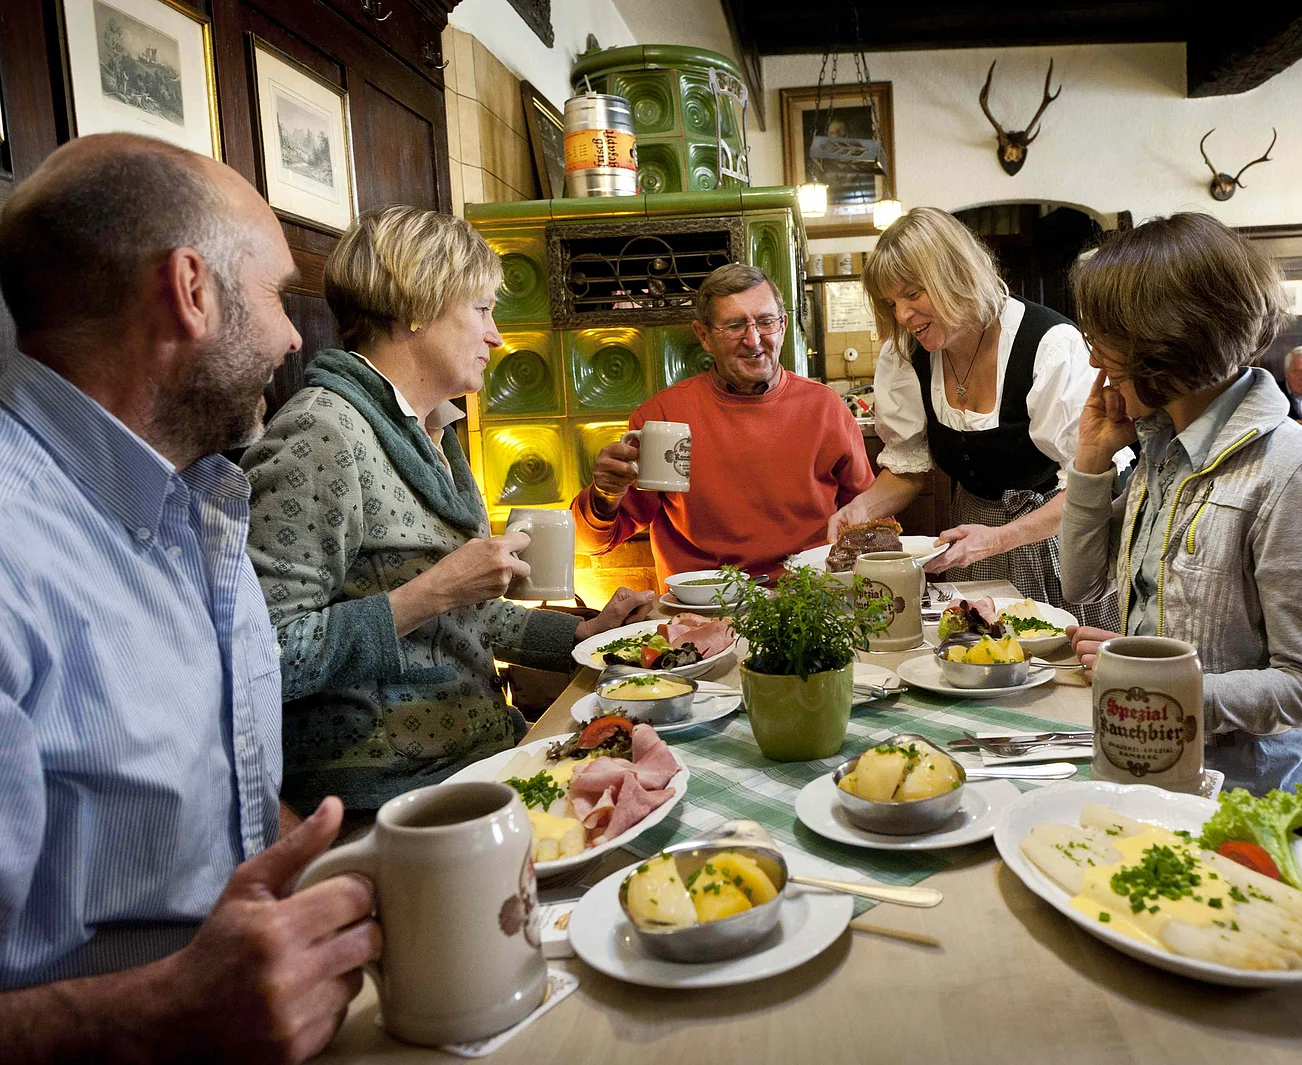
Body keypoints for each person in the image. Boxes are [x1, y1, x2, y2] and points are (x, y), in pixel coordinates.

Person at [0, 134, 377, 1061]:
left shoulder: (195, 499)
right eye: (278, 295)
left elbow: (224, 814)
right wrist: (163, 1009)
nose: (295, 337)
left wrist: (407, 865)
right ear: (192, 289)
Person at [243, 205, 655, 818]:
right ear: (418, 305)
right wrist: (433, 591)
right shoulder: (320, 437)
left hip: (475, 754)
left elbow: (465, 618)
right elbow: (264, 655)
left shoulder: (434, 429)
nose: (496, 335)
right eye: (483, 309)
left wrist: (581, 635)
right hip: (392, 800)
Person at [1058, 212, 1302, 796]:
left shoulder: (1293, 471)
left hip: (1230, 793)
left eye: (1106, 340)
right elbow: (1080, 585)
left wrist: (1154, 685)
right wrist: (1091, 460)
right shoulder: (1160, 450)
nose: (1095, 362)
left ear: (1168, 343)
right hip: (1136, 763)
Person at [830, 207, 1098, 606]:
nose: (902, 316)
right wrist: (862, 507)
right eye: (890, 303)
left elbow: (1089, 486)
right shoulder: (906, 354)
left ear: (955, 275)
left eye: (912, 293)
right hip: (971, 545)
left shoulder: (1050, 346)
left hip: (1056, 546)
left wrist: (1001, 538)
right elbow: (908, 468)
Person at [573, 263, 873, 577]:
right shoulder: (662, 418)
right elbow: (588, 543)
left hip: (808, 599)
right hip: (704, 608)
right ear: (703, 336)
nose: (754, 340)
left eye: (766, 322)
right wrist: (604, 493)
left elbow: (868, 516)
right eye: (734, 326)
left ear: (783, 326)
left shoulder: (825, 407)